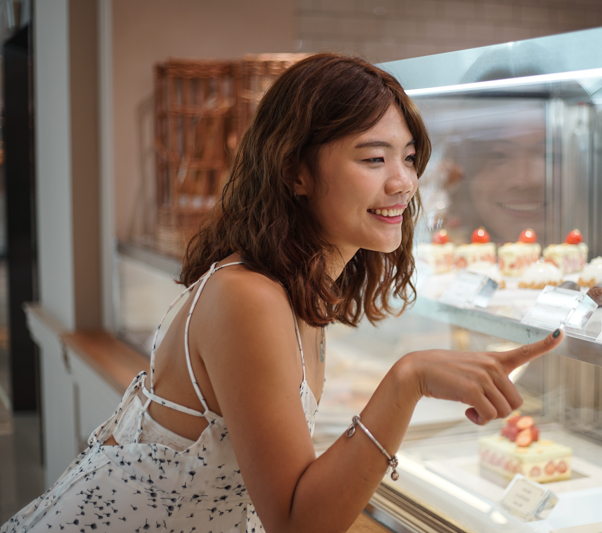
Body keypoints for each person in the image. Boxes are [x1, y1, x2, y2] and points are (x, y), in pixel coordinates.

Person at [1, 53, 563, 533]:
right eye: (374, 158)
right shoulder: (247, 295)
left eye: (409, 157)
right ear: (295, 172)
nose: (403, 182)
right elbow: (297, 523)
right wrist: (408, 379)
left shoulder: (298, 286)